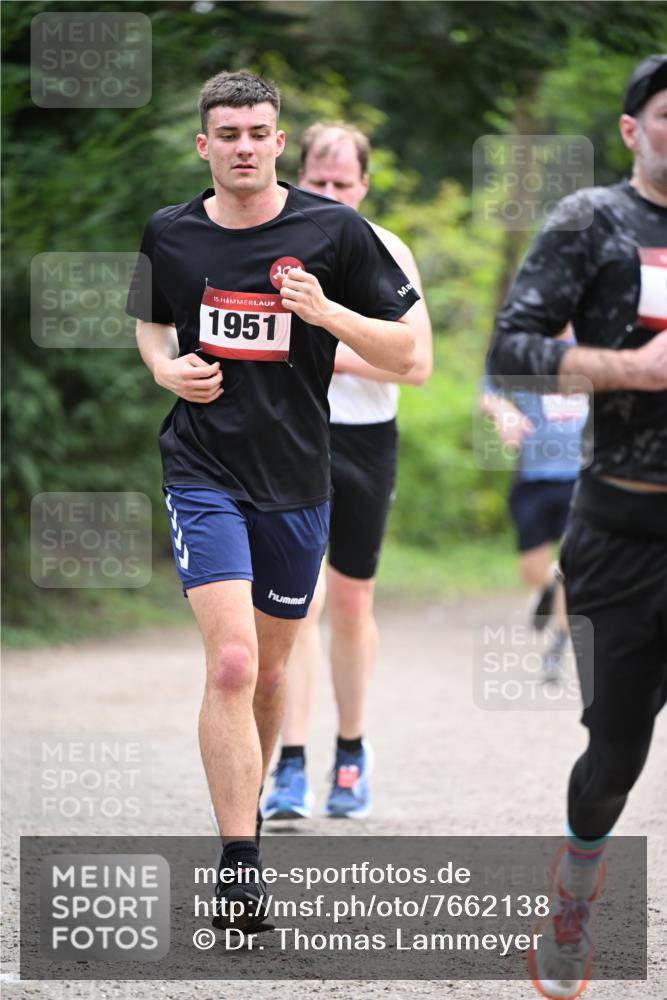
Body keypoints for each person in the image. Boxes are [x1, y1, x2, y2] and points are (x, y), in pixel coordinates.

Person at [126, 71, 418, 929]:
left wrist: (327, 312)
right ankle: (238, 862)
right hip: (202, 468)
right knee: (231, 662)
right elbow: (149, 318)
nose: (244, 146)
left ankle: (252, 808)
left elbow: (405, 354)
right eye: (229, 133)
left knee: (273, 673)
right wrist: (161, 366)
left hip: (296, 481)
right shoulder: (171, 232)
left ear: (278, 142)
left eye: (259, 132)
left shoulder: (333, 230)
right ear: (203, 144)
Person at [488, 54, 667, 1000]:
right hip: (623, 535)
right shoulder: (592, 221)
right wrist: (630, 370)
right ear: (634, 129)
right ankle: (575, 890)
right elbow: (510, 351)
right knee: (615, 757)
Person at [263, 123, 433, 820]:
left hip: (364, 438)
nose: (330, 194)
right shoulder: (269, 247)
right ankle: (291, 766)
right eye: (317, 182)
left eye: (342, 183)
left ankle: (352, 753)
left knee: (352, 602)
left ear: (362, 185)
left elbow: (416, 364)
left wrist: (318, 337)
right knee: (295, 602)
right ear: (296, 179)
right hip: (291, 435)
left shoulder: (386, 250)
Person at [480, 327, 588, 678]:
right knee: (532, 569)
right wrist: (501, 410)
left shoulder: (597, 342)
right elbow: (487, 392)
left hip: (583, 478)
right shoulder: (520, 345)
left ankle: (557, 645)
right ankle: (548, 586)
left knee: (573, 562)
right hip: (533, 476)